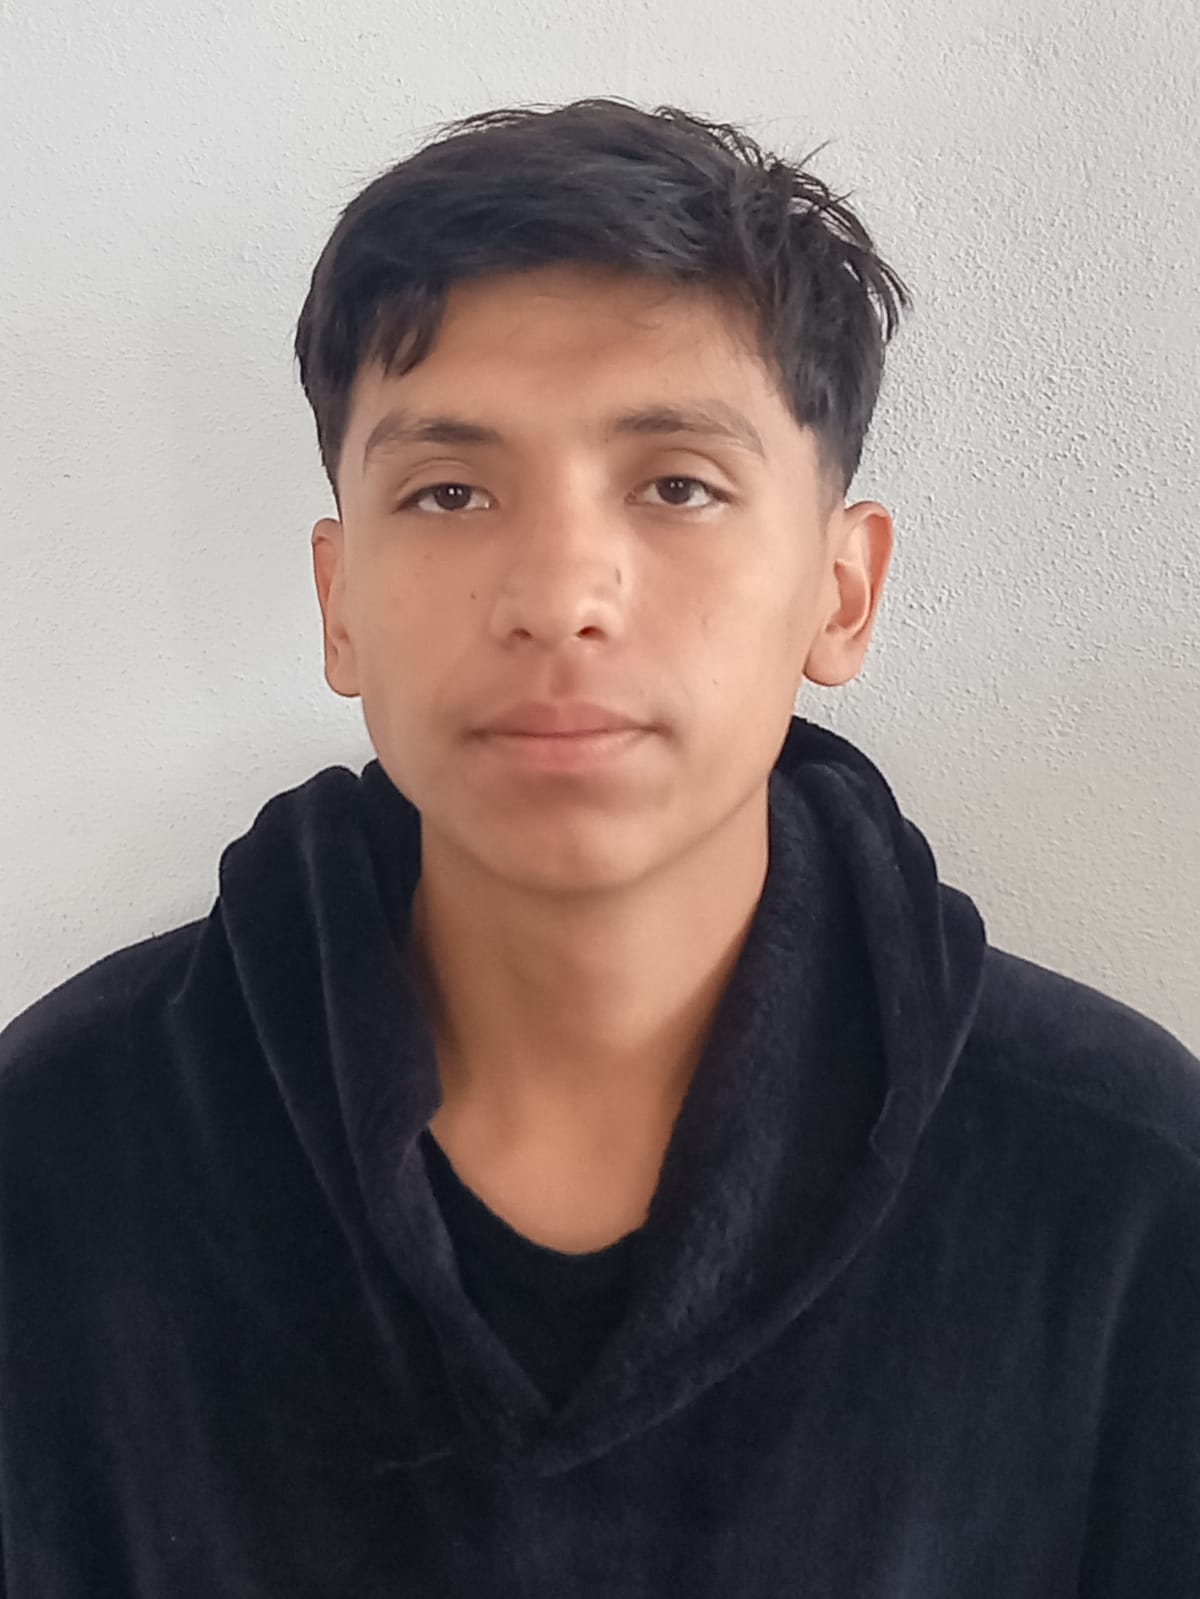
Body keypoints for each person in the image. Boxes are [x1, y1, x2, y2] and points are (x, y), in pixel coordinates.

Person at [0, 96, 1196, 1598]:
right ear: (340, 602)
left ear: (841, 591)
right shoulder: (61, 1154)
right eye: (449, 492)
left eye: (678, 486)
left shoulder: (1120, 1185)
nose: (561, 595)